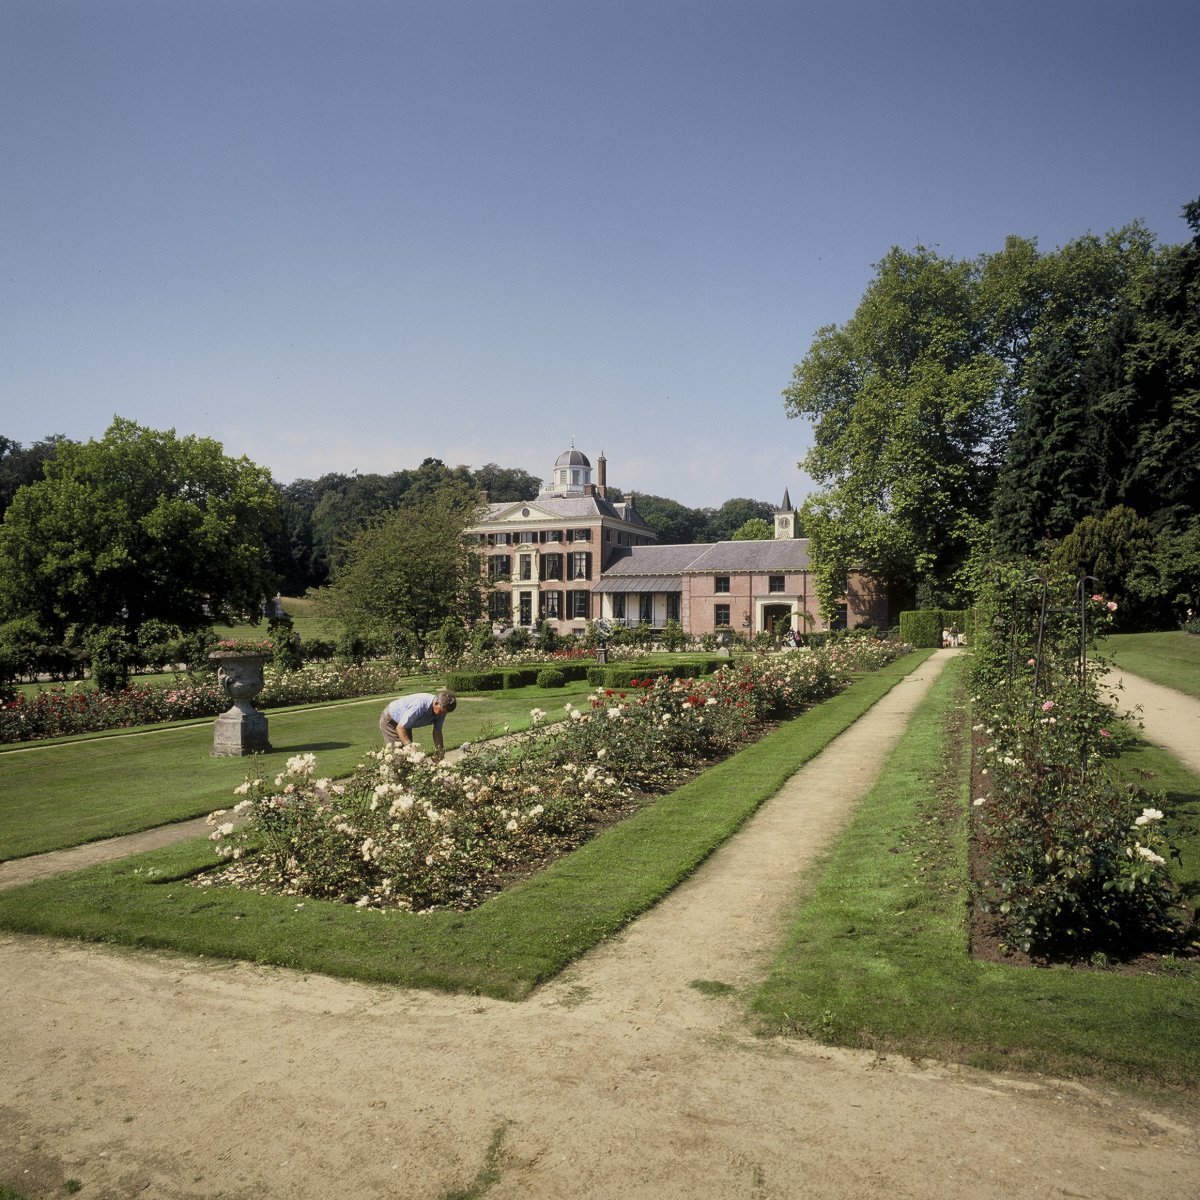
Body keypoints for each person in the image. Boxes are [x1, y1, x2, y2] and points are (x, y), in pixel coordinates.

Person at [379, 689, 457, 756]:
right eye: (441, 711)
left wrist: (440, 752)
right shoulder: (419, 705)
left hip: (404, 724)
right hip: (391, 720)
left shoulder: (443, 709)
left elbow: (437, 731)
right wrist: (410, 747)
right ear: (436, 703)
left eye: (445, 712)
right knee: (399, 755)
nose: (442, 715)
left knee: (409, 757)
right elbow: (400, 728)